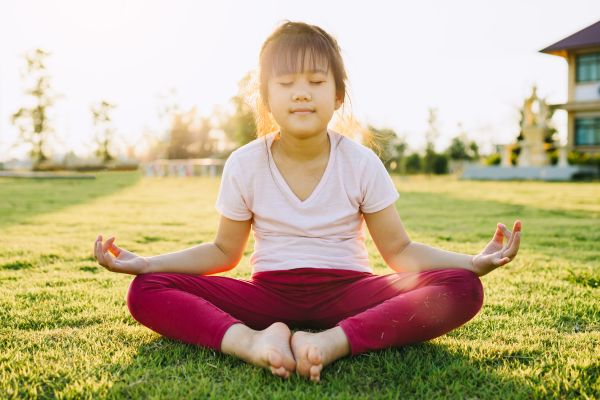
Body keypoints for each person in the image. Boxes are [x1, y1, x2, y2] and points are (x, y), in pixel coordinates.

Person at [93, 21, 521, 383]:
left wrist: (471, 263)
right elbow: (225, 252)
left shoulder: (360, 162)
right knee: (145, 291)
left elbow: (400, 252)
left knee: (462, 289)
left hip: (351, 292)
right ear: (266, 98)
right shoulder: (244, 163)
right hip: (268, 298)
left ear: (337, 96)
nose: (302, 93)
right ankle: (253, 341)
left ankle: (331, 342)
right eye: (286, 83)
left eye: (316, 82)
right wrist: (147, 264)